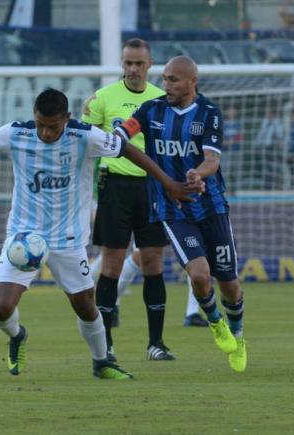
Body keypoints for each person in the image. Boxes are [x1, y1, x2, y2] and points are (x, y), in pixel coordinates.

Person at [0, 88, 199, 381]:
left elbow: (129, 151)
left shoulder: (85, 136)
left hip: (68, 240)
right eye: (41, 124)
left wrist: (168, 184)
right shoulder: (16, 134)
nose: (45, 132)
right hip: (24, 236)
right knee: (2, 307)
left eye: (53, 126)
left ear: (67, 119)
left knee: (85, 306)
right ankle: (18, 336)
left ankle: (101, 361)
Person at [114, 56, 247, 373]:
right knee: (200, 276)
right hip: (173, 208)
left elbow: (212, 160)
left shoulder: (209, 114)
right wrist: (114, 135)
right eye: (165, 79)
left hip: (212, 206)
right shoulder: (151, 110)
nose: (166, 85)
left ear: (192, 81)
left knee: (229, 283)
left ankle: (238, 336)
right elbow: (126, 130)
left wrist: (198, 175)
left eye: (173, 80)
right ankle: (215, 322)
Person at [81, 38, 176, 362]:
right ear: (122, 64)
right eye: (128, 63)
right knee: (112, 264)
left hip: (152, 189)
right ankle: (105, 345)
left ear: (150, 65)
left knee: (153, 262)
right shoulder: (102, 99)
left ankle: (156, 343)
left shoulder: (162, 101)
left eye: (139, 63)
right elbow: (83, 145)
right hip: (115, 188)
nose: (133, 69)